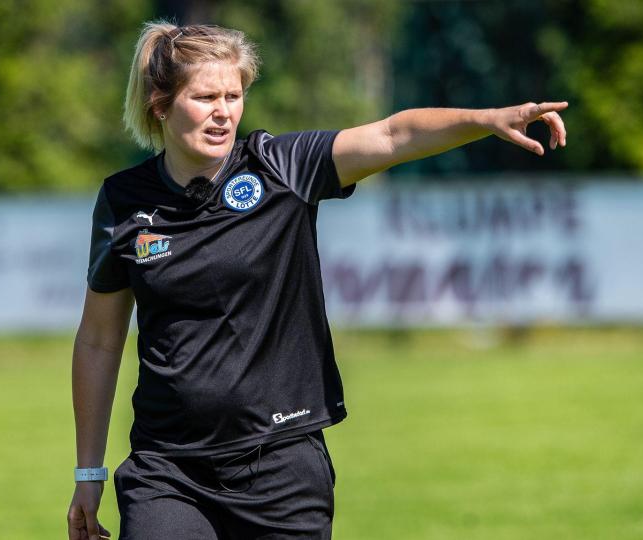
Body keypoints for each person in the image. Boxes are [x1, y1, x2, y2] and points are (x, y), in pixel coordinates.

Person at [67, 20, 568, 540]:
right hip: (167, 470)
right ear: (160, 103)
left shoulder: (281, 168)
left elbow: (393, 134)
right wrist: (89, 471)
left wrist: (486, 119)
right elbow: (99, 341)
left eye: (234, 95)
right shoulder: (123, 201)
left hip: (282, 468)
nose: (224, 112)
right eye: (205, 96)